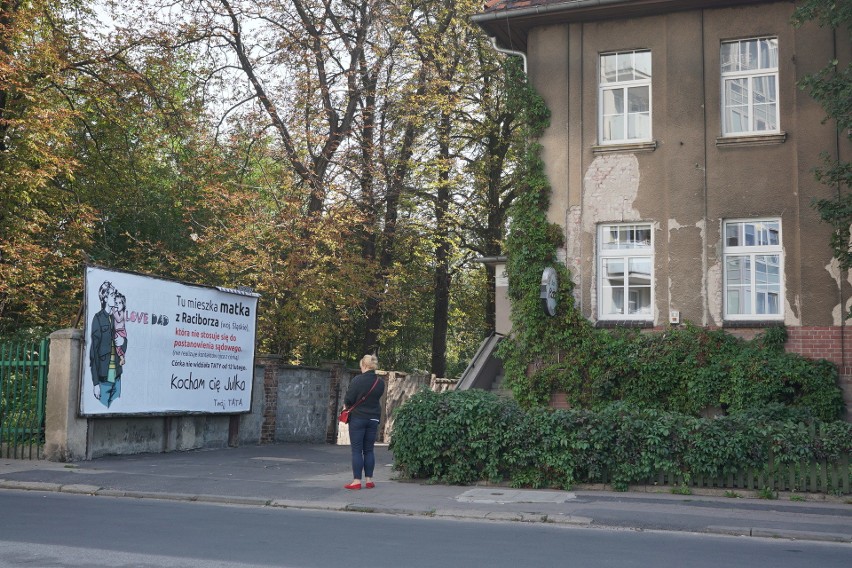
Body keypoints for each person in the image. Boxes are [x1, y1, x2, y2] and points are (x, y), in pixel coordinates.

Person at [343, 354, 385, 490]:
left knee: (356, 450)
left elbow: (349, 399)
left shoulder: (357, 380)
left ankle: (356, 481)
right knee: (369, 450)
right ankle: (369, 480)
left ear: (365, 365)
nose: (360, 367)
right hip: (373, 419)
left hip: (358, 418)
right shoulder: (380, 382)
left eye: (361, 365)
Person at [89, 281, 126, 408]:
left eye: (115, 294)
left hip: (117, 376)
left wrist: (123, 342)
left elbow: (124, 339)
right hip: (103, 379)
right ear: (105, 298)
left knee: (116, 411)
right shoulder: (98, 318)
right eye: (111, 294)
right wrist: (95, 384)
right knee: (102, 411)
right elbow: (93, 352)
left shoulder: (117, 318)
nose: (115, 297)